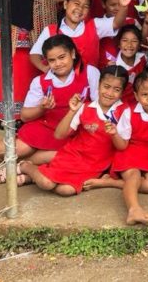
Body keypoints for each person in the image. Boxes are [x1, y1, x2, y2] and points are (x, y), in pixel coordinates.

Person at [0, 35, 100, 166]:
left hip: (76, 129)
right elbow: (25, 116)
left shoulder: (90, 73)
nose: (58, 64)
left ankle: (2, 158)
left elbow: (98, 106)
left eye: (62, 57)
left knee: (68, 156)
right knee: (23, 148)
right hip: (47, 126)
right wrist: (42, 108)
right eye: (52, 60)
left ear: (73, 54)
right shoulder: (40, 82)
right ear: (46, 61)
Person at [15, 65, 128, 195]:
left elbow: (122, 147)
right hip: (74, 155)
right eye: (106, 86)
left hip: (95, 164)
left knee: (65, 190)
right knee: (47, 183)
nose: (109, 93)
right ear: (98, 85)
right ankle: (26, 166)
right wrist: (72, 111)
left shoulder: (124, 111)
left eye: (116, 89)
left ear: (122, 92)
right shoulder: (85, 107)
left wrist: (114, 134)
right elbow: (59, 135)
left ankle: (34, 176)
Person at [86, 71, 148, 225]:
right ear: (136, 96)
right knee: (134, 175)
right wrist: (114, 134)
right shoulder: (129, 112)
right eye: (144, 94)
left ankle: (108, 182)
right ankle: (134, 210)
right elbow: (122, 145)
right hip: (130, 150)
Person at [30, 0, 131, 70]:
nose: (80, 9)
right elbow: (34, 54)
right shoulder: (50, 30)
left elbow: (117, 23)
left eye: (85, 6)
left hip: (89, 86)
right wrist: (44, 68)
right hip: (62, 84)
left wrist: (124, 6)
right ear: (65, 4)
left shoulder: (95, 25)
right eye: (77, 4)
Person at [109, 24, 147, 105]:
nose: (129, 45)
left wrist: (147, 24)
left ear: (139, 44)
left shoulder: (143, 58)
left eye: (134, 41)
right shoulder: (113, 66)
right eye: (125, 40)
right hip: (119, 108)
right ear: (118, 44)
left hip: (139, 106)